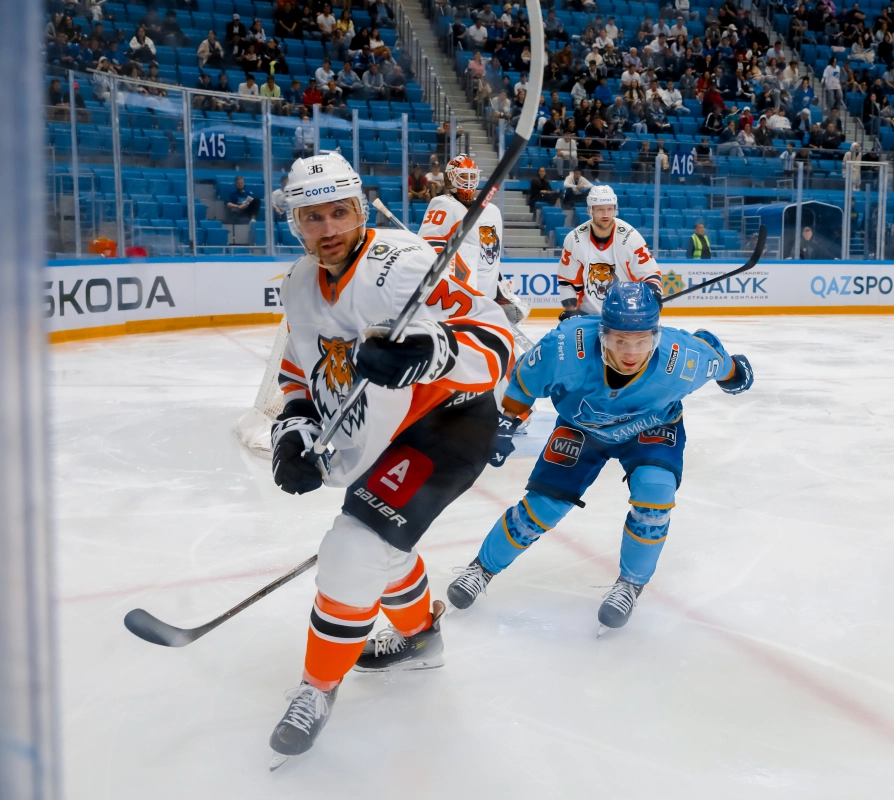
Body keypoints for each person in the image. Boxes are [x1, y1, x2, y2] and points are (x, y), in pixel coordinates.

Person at [266, 152, 514, 766]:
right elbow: (299, 369)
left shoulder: (404, 264)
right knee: (388, 544)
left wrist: (428, 357)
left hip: (446, 422)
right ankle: (420, 637)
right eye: (311, 216)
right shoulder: (298, 282)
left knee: (356, 547)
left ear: (359, 207)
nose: (327, 229)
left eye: (339, 213)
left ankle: (317, 686)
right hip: (377, 431)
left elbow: (498, 340)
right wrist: (292, 432)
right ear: (295, 222)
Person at [443, 281, 754, 632]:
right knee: (543, 507)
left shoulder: (684, 356)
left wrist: (734, 372)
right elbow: (523, 385)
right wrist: (505, 423)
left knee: (655, 499)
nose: (631, 352)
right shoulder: (564, 346)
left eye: (641, 341)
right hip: (582, 428)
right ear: (603, 333)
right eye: (620, 340)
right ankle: (482, 569)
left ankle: (630, 584)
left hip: (649, 429)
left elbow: (721, 364)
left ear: (657, 334)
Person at [554, 185, 661, 317]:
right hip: (588, 315)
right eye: (600, 210)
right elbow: (567, 282)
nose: (605, 214)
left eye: (609, 209)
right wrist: (570, 312)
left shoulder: (630, 238)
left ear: (615, 210)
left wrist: (654, 296)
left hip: (625, 316)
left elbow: (650, 275)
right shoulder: (574, 239)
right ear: (590, 211)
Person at [417, 155, 508, 307]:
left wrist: (500, 287)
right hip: (459, 299)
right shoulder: (444, 204)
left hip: (488, 300)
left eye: (472, 176)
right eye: (463, 176)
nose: (469, 181)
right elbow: (427, 246)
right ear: (450, 179)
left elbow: (490, 259)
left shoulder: (493, 211)